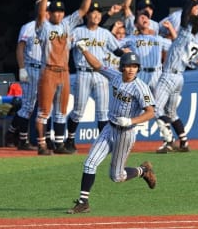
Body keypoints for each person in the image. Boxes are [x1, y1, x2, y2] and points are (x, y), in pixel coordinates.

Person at [67, 42, 156, 214]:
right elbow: (98, 65)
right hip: (109, 128)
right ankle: (83, 202)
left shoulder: (140, 88)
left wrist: (131, 121)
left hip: (126, 133)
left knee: (117, 176)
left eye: (135, 66)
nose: (131, 69)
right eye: (128, 66)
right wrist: (84, 50)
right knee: (89, 163)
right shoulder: (115, 76)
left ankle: (143, 170)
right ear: (122, 67)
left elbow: (151, 112)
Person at [35, 0, 95, 155]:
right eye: (54, 11)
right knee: (44, 111)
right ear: (49, 13)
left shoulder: (67, 24)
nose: (58, 14)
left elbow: (83, 10)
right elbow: (40, 16)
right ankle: (42, 145)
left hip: (64, 72)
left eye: (61, 11)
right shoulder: (44, 26)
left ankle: (60, 145)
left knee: (61, 112)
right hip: (49, 71)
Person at [154, 0, 198, 154]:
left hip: (169, 76)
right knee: (171, 112)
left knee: (156, 109)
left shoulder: (184, 34)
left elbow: (186, 16)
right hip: (180, 77)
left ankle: (169, 141)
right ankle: (184, 142)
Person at [64, 1, 123, 153]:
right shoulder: (77, 32)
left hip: (101, 73)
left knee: (103, 111)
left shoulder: (105, 33)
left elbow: (117, 50)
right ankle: (69, 140)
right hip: (83, 72)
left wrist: (127, 54)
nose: (96, 15)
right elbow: (64, 48)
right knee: (78, 110)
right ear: (87, 15)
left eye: (98, 12)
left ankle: (103, 143)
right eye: (93, 12)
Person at [5, 0, 52, 150]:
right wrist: (22, 68)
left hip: (46, 70)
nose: (49, 13)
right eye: (46, 9)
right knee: (28, 105)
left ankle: (12, 132)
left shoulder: (52, 28)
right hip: (30, 68)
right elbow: (20, 48)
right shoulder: (29, 27)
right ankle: (23, 140)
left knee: (45, 106)